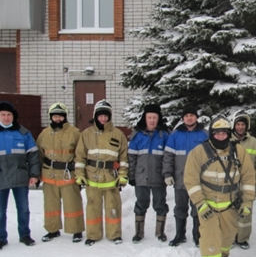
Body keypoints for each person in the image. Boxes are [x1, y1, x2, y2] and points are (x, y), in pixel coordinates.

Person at [184, 117, 256, 257]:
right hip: (207, 205)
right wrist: (200, 204)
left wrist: (247, 202)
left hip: (230, 204)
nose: (221, 137)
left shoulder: (239, 151)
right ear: (211, 134)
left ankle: (223, 254)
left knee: (228, 235)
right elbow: (190, 180)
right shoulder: (198, 152)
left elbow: (249, 178)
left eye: (225, 133)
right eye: (218, 134)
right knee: (210, 240)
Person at [0, 101, 40, 252]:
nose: (6, 117)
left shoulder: (23, 133)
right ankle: (0, 239)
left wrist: (34, 174)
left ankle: (25, 235)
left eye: (9, 115)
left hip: (20, 176)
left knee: (23, 209)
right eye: (3, 114)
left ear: (13, 116)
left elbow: (34, 156)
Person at [74, 99, 129, 246]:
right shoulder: (86, 134)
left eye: (106, 116)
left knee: (113, 206)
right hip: (92, 176)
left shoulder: (118, 134)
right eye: (100, 116)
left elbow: (124, 157)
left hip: (111, 177)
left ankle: (114, 234)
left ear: (110, 117)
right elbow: (80, 156)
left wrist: (123, 174)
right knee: (93, 206)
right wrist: (79, 174)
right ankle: (93, 234)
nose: (103, 118)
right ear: (96, 116)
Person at [37, 102, 84, 243]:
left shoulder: (75, 133)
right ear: (51, 117)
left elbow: (81, 154)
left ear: (65, 117)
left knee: (73, 203)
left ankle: (76, 230)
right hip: (49, 174)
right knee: (51, 205)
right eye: (55, 116)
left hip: (68, 174)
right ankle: (52, 229)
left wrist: (80, 174)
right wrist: (37, 174)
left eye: (60, 116)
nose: (58, 119)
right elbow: (39, 155)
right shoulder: (44, 134)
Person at [163, 106, 208, 247]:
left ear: (196, 117)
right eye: (186, 115)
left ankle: (197, 236)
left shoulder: (204, 134)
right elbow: (168, 156)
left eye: (192, 115)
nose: (189, 118)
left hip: (198, 180)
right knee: (180, 208)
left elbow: (211, 157)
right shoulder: (175, 135)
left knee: (197, 208)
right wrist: (168, 173)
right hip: (180, 179)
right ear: (183, 118)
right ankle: (180, 235)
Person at [128, 104, 170, 243]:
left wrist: (167, 174)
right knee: (141, 203)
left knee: (160, 204)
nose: (152, 120)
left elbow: (168, 158)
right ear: (144, 118)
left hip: (158, 177)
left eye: (154, 117)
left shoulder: (164, 135)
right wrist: (132, 176)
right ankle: (139, 233)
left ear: (158, 119)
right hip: (141, 177)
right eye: (149, 117)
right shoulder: (137, 136)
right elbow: (132, 158)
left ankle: (160, 232)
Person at [230, 109, 256, 250]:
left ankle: (242, 238)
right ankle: (229, 237)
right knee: (229, 211)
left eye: (243, 124)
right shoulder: (226, 140)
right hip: (230, 183)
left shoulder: (254, 143)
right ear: (234, 125)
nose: (241, 127)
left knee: (246, 211)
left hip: (247, 184)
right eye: (238, 124)